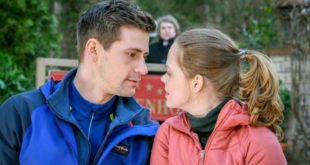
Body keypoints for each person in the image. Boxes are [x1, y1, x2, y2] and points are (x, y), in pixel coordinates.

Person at [0, 0, 159, 164]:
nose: (143, 69)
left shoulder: (146, 131)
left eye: (144, 57)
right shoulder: (21, 113)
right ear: (93, 50)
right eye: (132, 54)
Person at [150, 28, 287, 164]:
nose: (163, 79)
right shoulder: (167, 134)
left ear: (196, 83)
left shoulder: (259, 141)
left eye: (169, 72)